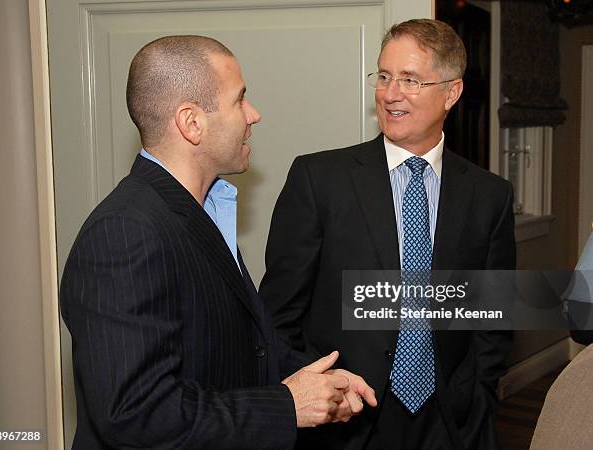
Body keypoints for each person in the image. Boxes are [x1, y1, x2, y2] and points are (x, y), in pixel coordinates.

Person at [60, 35, 376, 450]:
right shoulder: (124, 233)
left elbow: (235, 345)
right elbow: (136, 415)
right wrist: (286, 405)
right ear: (191, 123)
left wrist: (318, 379)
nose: (254, 114)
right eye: (239, 100)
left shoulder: (206, 208)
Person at [260, 19, 515, 450]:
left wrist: (479, 396)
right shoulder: (319, 179)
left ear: (451, 92)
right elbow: (279, 314)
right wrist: (315, 395)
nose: (390, 93)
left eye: (410, 80)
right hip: (345, 420)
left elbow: (493, 314)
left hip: (449, 420)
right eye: (384, 76)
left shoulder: (489, 195)